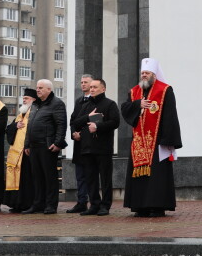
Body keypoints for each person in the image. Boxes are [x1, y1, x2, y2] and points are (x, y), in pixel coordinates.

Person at [121, 58, 183, 217]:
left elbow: (170, 115)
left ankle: (157, 206)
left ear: (154, 75)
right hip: (138, 142)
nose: (144, 75)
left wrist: (168, 140)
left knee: (157, 177)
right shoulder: (134, 91)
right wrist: (138, 105)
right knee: (139, 176)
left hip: (157, 141)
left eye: (147, 73)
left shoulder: (165, 90)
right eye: (142, 73)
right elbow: (125, 108)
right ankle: (140, 206)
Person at [70, 78, 120, 216]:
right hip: (87, 148)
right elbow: (76, 122)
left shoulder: (110, 104)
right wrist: (88, 117)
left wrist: (98, 126)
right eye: (91, 87)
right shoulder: (86, 105)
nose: (91, 89)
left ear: (103, 89)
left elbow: (115, 122)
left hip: (103, 148)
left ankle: (105, 205)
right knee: (90, 179)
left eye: (95, 87)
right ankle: (94, 205)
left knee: (105, 179)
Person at [23, 79, 67, 214]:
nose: (37, 90)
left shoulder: (57, 103)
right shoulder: (35, 104)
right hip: (34, 146)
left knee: (49, 177)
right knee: (37, 177)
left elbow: (61, 124)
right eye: (37, 87)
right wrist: (27, 144)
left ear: (49, 89)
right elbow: (29, 125)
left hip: (47, 146)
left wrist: (58, 143)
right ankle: (38, 204)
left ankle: (50, 205)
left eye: (41, 88)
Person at [4, 88, 37, 213]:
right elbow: (9, 129)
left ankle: (27, 204)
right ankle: (16, 204)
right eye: (23, 98)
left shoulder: (35, 113)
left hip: (27, 152)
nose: (24, 100)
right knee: (17, 178)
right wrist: (15, 125)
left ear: (33, 100)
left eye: (26, 98)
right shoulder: (20, 115)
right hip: (16, 154)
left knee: (26, 179)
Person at [66, 75, 95, 213]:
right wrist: (74, 133)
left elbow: (93, 121)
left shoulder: (95, 101)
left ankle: (93, 202)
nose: (83, 84)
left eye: (86, 82)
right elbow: (73, 120)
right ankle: (81, 201)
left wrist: (81, 134)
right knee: (80, 176)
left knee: (90, 175)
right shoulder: (79, 101)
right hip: (78, 144)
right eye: (82, 82)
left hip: (90, 143)